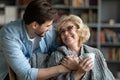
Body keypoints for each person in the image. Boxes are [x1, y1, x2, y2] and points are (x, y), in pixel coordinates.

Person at [0, 0, 73, 80]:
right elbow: (26, 74)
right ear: (34, 25)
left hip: (40, 72)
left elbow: (61, 51)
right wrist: (63, 68)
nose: (51, 28)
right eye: (48, 26)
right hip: (11, 75)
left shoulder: (48, 32)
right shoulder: (9, 35)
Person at [30, 14, 116, 80]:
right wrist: (79, 72)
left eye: (70, 28)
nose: (66, 33)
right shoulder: (57, 56)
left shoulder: (96, 53)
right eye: (62, 31)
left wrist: (76, 66)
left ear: (80, 30)